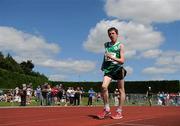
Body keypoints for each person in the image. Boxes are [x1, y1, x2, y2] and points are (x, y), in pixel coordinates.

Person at [97, 27, 126, 119]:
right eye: (109, 34)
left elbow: (122, 61)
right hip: (108, 69)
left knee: (121, 90)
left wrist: (112, 57)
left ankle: (119, 111)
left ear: (117, 34)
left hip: (118, 69)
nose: (111, 35)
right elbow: (105, 56)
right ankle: (107, 109)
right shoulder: (106, 45)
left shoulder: (120, 45)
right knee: (103, 87)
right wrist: (103, 65)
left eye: (113, 33)